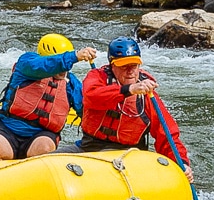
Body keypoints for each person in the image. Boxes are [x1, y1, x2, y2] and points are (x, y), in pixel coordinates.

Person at [65, 37, 194, 182]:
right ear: (112, 65)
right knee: (47, 158)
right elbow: (91, 97)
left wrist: (181, 162)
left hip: (128, 155)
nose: (130, 71)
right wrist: (129, 90)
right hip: (89, 146)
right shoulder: (97, 77)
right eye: (124, 66)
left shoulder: (147, 95)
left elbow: (167, 133)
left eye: (134, 65)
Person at [0, 34, 97, 161]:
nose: (65, 68)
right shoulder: (27, 64)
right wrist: (73, 56)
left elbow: (87, 113)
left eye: (68, 65)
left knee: (44, 149)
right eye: (63, 63)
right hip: (8, 128)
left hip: (42, 134)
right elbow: (43, 65)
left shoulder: (72, 84)